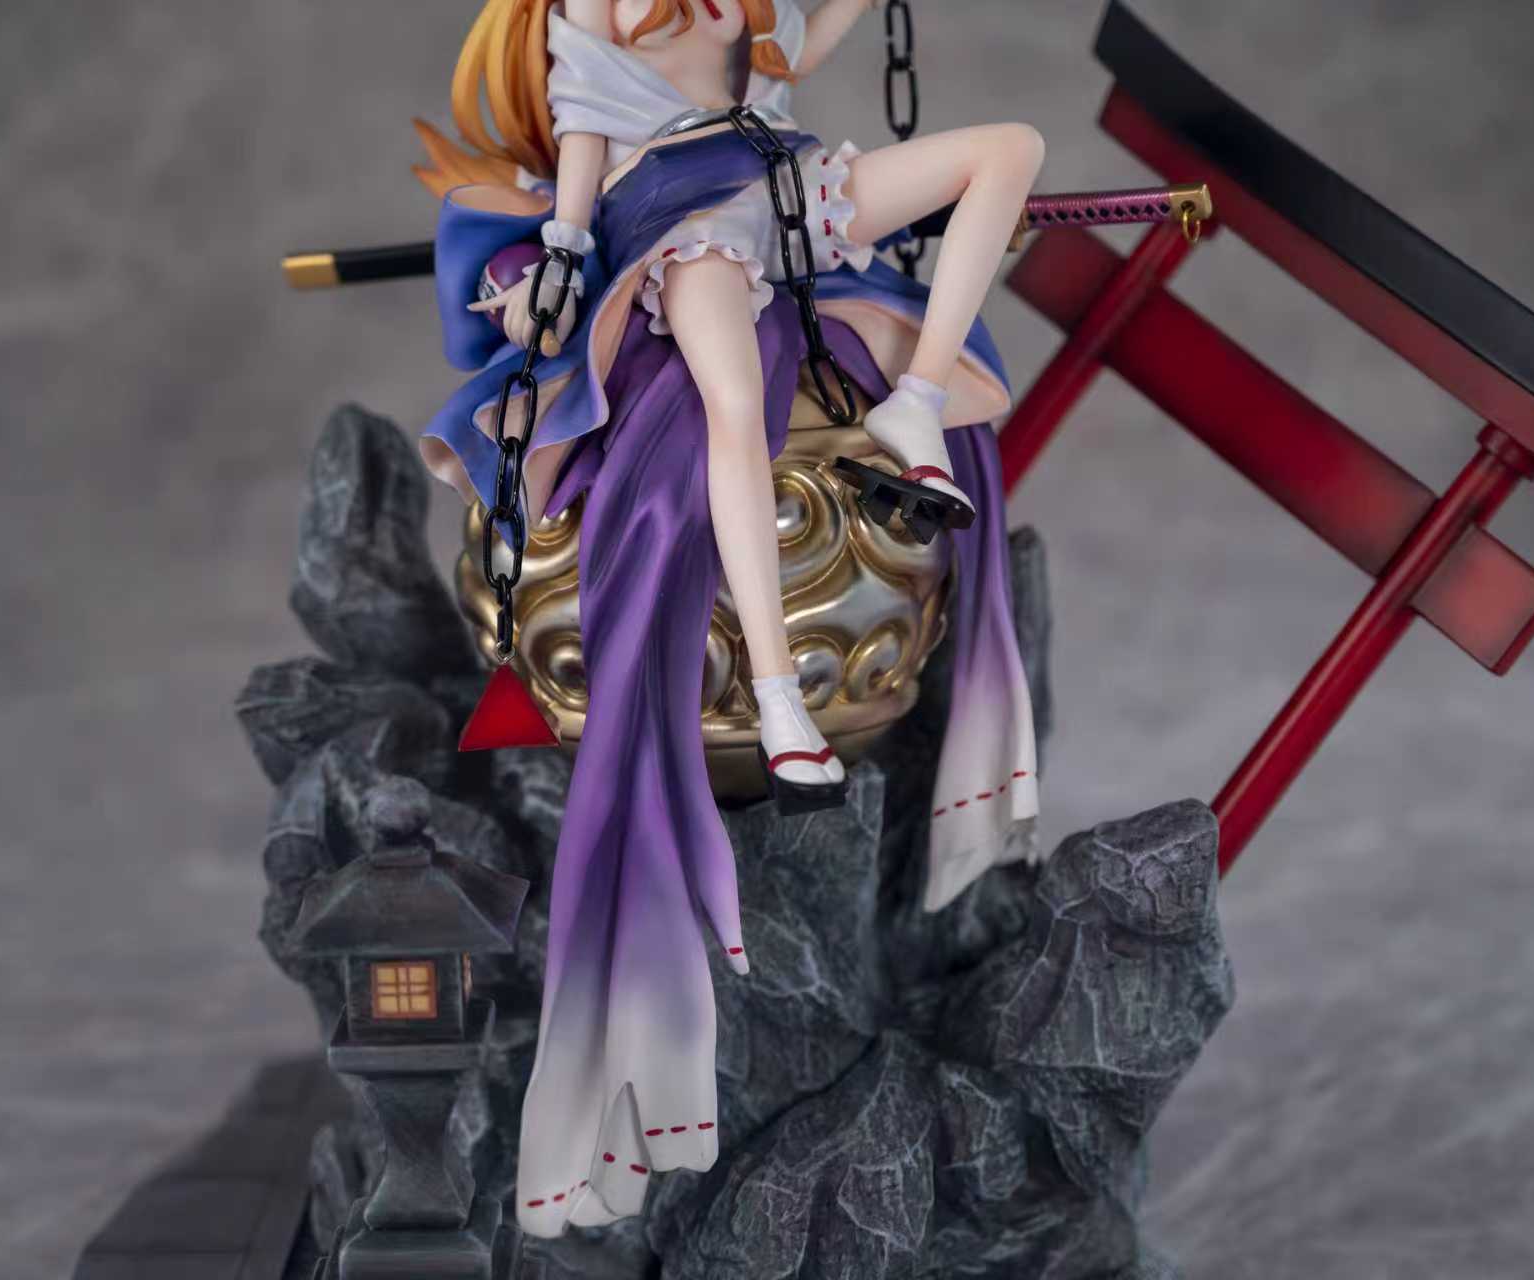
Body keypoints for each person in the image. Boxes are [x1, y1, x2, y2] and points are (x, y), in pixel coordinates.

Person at [414, 0, 1042, 1236]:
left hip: (789, 192)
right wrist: (561, 249)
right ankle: (776, 691)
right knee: (731, 407)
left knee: (1005, 149)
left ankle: (917, 400)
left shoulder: (742, 12)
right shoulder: (593, 16)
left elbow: (806, 42)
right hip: (679, 224)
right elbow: (584, 159)